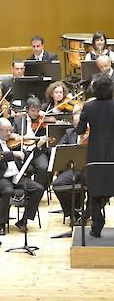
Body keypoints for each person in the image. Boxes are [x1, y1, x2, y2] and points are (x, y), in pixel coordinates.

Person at [0, 118, 44, 236]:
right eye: (6, 131)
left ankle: (23, 221)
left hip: (17, 176)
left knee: (38, 189)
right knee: (8, 191)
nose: (9, 134)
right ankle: (2, 223)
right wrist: (13, 154)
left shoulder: (14, 142)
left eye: (10, 130)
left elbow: (26, 157)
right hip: (1, 178)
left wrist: (38, 147)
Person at [76, 74, 114, 238]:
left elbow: (80, 130)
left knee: (94, 190)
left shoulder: (89, 107)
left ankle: (97, 226)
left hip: (95, 154)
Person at [52, 111, 90, 224]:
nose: (77, 127)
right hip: (74, 169)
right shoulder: (69, 133)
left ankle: (87, 214)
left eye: (80, 123)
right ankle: (72, 212)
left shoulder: (93, 133)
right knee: (57, 185)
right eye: (75, 124)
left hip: (89, 169)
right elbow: (60, 147)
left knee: (95, 187)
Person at [12, 97, 50, 188]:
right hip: (22, 150)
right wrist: (20, 137)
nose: (36, 114)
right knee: (14, 166)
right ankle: (19, 192)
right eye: (33, 111)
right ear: (27, 109)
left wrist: (41, 142)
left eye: (38, 111)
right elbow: (12, 135)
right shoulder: (18, 120)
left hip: (37, 150)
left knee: (43, 167)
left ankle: (37, 190)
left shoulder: (42, 121)